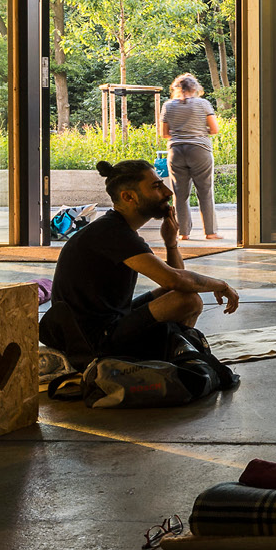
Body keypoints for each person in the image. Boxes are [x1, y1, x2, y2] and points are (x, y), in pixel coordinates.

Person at [39, 159, 241, 370]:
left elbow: (176, 281)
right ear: (128, 196)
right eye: (156, 186)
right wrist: (222, 285)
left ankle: (171, 349)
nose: (167, 192)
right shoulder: (112, 233)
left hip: (110, 321)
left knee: (179, 294)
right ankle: (169, 354)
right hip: (91, 341)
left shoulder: (117, 228)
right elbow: (176, 280)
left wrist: (171, 244)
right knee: (188, 301)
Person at [158, 73, 222, 241]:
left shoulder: (168, 106)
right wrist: (199, 131)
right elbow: (214, 130)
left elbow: (164, 134)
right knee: (205, 191)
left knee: (179, 193)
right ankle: (210, 232)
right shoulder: (203, 104)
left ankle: (183, 233)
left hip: (176, 152)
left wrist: (181, 132)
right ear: (195, 88)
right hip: (199, 150)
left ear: (176, 89)